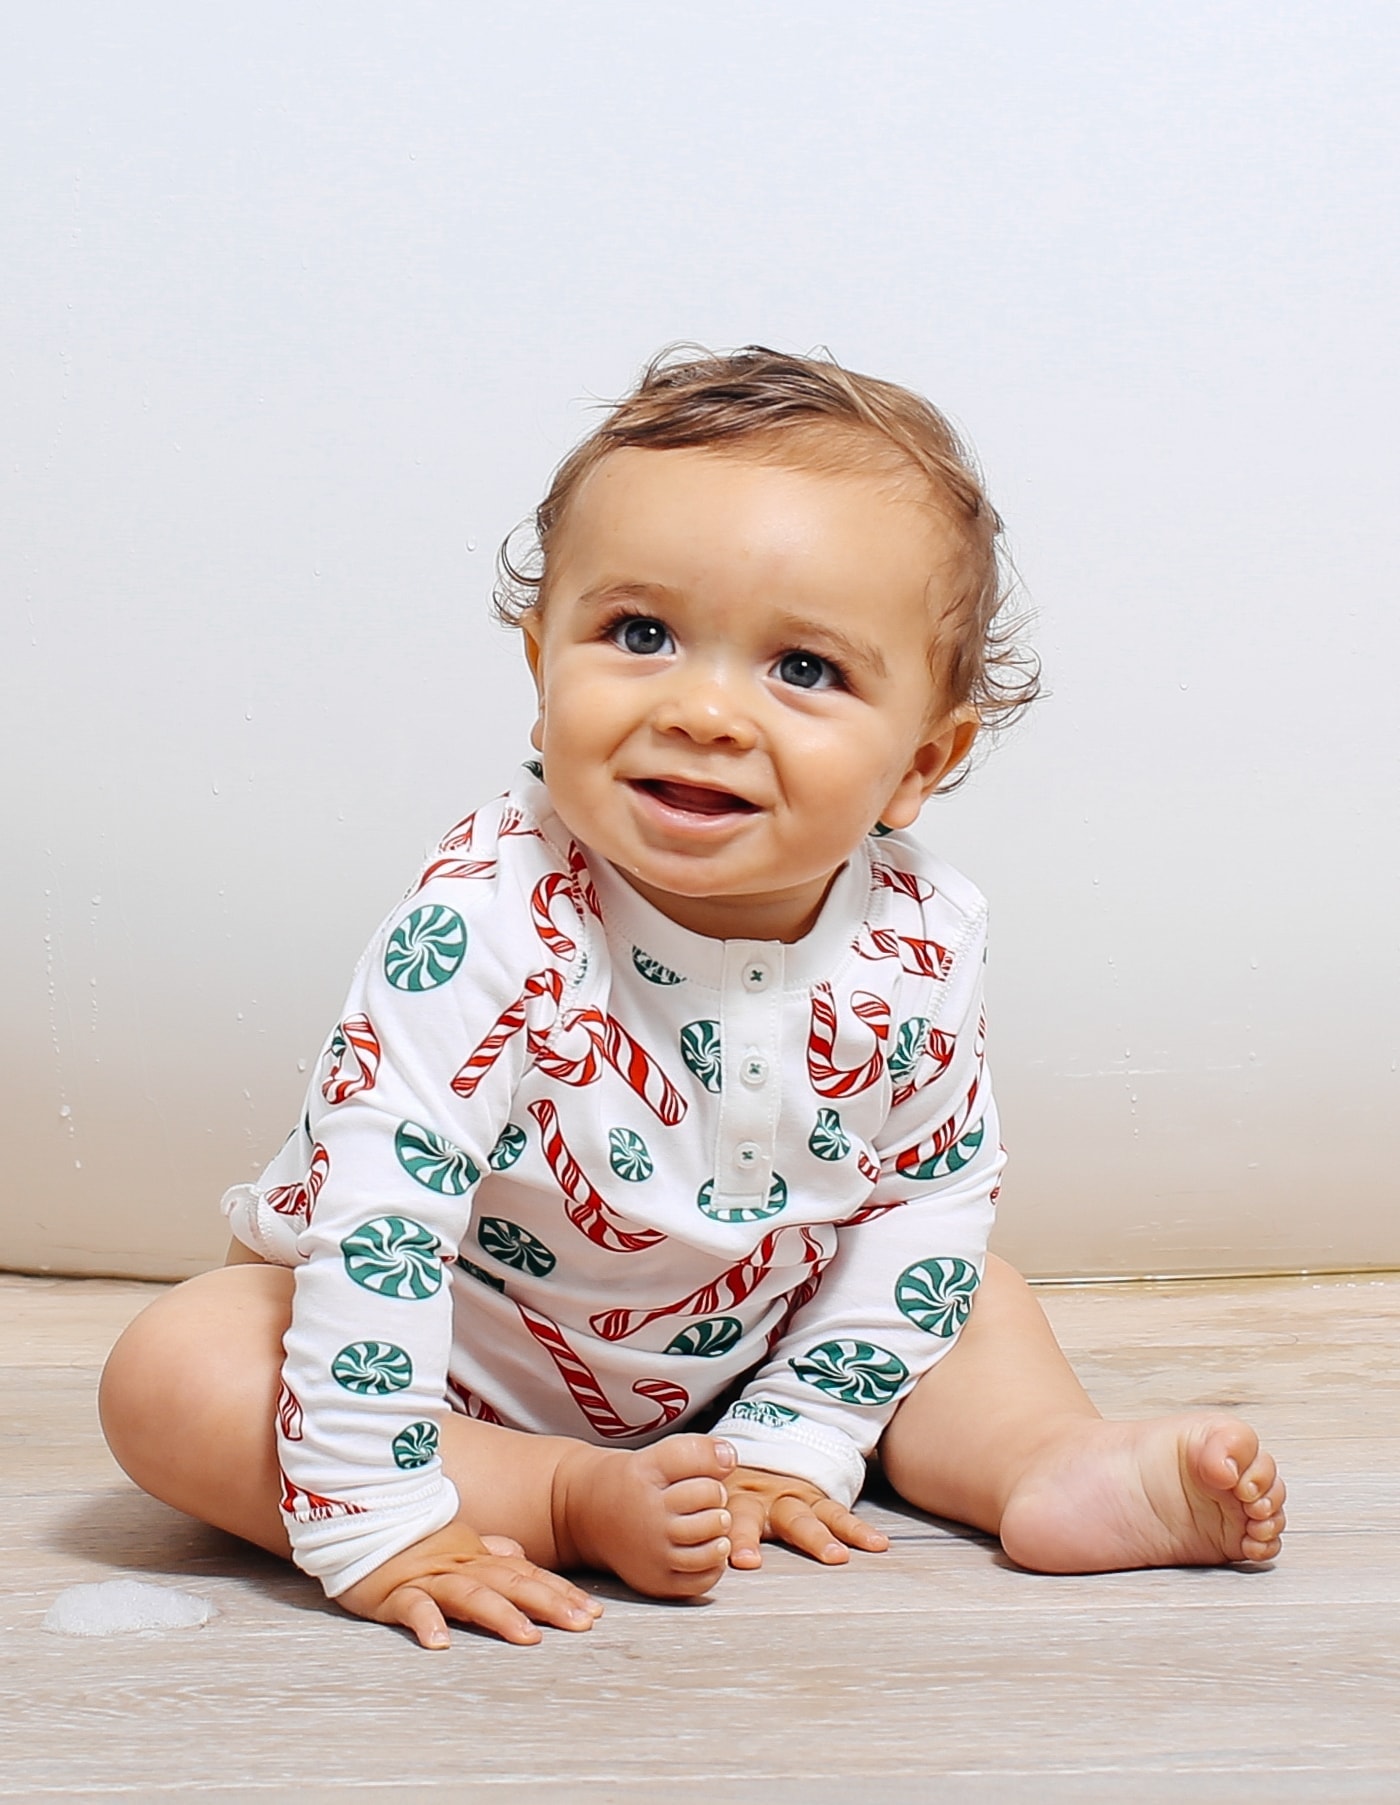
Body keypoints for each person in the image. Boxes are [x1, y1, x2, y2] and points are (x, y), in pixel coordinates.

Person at [99, 346, 1285, 1650]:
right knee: (183, 1367)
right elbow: (384, 1221)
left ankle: (1050, 1462)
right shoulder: (485, 921)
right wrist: (378, 1512)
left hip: (755, 1333)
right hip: (458, 1357)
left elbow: (925, 1191)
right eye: (641, 635)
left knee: (971, 1284)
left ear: (920, 762)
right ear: (542, 658)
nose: (706, 708)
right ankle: (559, 1496)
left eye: (806, 669)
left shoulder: (918, 939)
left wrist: (800, 1433)